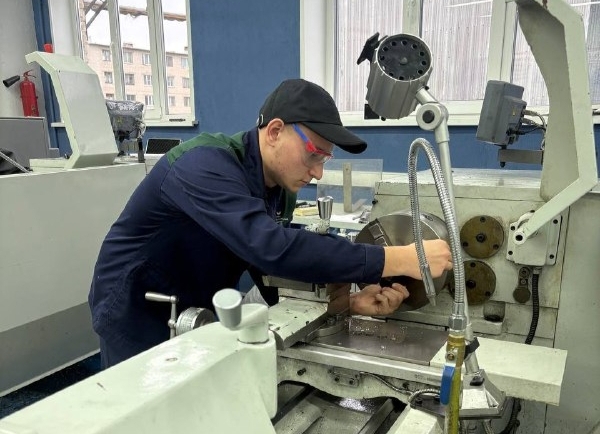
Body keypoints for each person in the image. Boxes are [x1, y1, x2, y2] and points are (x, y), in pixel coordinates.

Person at [89, 78, 452, 368]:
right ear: (275, 131)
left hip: (194, 305)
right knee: (140, 409)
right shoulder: (203, 166)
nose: (317, 173)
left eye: (325, 159)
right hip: (136, 306)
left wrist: (345, 304)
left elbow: (271, 269)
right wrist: (400, 258)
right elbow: (271, 248)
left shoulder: (278, 187)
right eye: (314, 154)